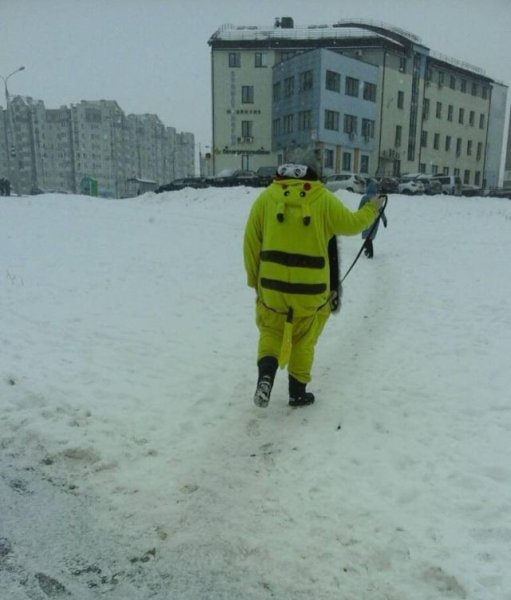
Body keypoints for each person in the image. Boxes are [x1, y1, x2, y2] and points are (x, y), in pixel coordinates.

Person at [243, 151, 385, 408]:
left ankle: (266, 376)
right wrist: (372, 209)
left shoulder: (266, 198)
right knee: (305, 338)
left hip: (272, 287)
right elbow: (352, 225)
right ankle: (297, 392)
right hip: (312, 290)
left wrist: (255, 281)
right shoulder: (322, 199)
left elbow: (251, 243)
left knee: (272, 330)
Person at [359, 180, 387, 258]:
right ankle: (367, 250)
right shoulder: (377, 198)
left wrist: (359, 217)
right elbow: (381, 210)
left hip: (366, 219)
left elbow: (360, 209)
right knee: (370, 237)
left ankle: (370, 254)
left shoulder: (364, 198)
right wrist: (384, 220)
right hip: (375, 221)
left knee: (367, 237)